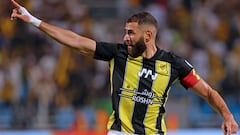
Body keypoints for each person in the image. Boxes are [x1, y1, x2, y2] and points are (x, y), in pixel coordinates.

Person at [10, 0, 239, 135]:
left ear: (148, 35)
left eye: (131, 33)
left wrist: (227, 115)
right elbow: (77, 41)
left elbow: (208, 92)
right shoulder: (118, 54)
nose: (125, 37)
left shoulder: (173, 65)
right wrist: (34, 21)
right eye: (125, 32)